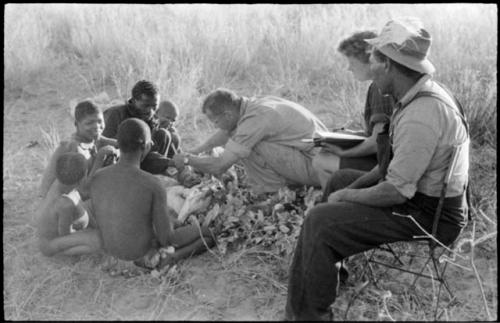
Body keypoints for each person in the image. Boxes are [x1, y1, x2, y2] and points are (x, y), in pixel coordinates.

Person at [285, 17, 470, 320]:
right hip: (423, 200)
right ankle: (325, 274)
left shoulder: (421, 114)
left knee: (320, 219)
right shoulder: (416, 95)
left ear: (386, 65)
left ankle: (307, 315)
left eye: (373, 57)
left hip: (430, 216)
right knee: (340, 181)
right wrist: (345, 191)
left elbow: (396, 191)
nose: (368, 64)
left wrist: (347, 199)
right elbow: (388, 168)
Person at [90, 118, 215, 268]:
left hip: (109, 252)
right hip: (139, 256)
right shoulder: (152, 184)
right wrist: (202, 229)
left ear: (118, 142)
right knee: (208, 235)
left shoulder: (98, 176)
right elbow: (167, 239)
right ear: (146, 145)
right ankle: (172, 257)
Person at [172, 88, 329, 194]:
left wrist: (187, 160)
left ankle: (272, 193)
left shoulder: (254, 121)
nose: (215, 126)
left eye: (215, 121)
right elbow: (227, 131)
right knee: (241, 139)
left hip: (318, 168)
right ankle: (279, 185)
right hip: (319, 158)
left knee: (248, 146)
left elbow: (219, 166)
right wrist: (198, 150)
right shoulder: (251, 106)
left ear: (227, 115)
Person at [312, 30, 395, 189]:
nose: (349, 68)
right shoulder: (378, 85)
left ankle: (334, 204)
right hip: (386, 159)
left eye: (352, 62)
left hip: (385, 165)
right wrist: (348, 135)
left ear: (370, 61)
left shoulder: (380, 89)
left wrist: (345, 153)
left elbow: (376, 144)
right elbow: (379, 134)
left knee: (320, 161)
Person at [39, 100, 118, 199]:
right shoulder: (73, 149)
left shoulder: (91, 138)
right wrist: (100, 159)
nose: (97, 127)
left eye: (100, 121)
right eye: (89, 123)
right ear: (76, 124)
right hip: (61, 204)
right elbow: (83, 191)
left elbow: (111, 142)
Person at [102, 80, 175, 174]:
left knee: (164, 135)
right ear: (134, 100)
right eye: (146, 106)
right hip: (118, 161)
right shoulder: (116, 114)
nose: (150, 111)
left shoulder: (152, 118)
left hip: (141, 159)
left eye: (154, 106)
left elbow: (148, 151)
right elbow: (105, 146)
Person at [37, 152, 102, 257]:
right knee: (98, 242)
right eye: (86, 173)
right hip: (51, 243)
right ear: (82, 179)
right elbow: (64, 235)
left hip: (62, 225)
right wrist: (82, 233)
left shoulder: (62, 183)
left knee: (93, 205)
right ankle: (64, 255)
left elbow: (83, 192)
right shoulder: (66, 205)